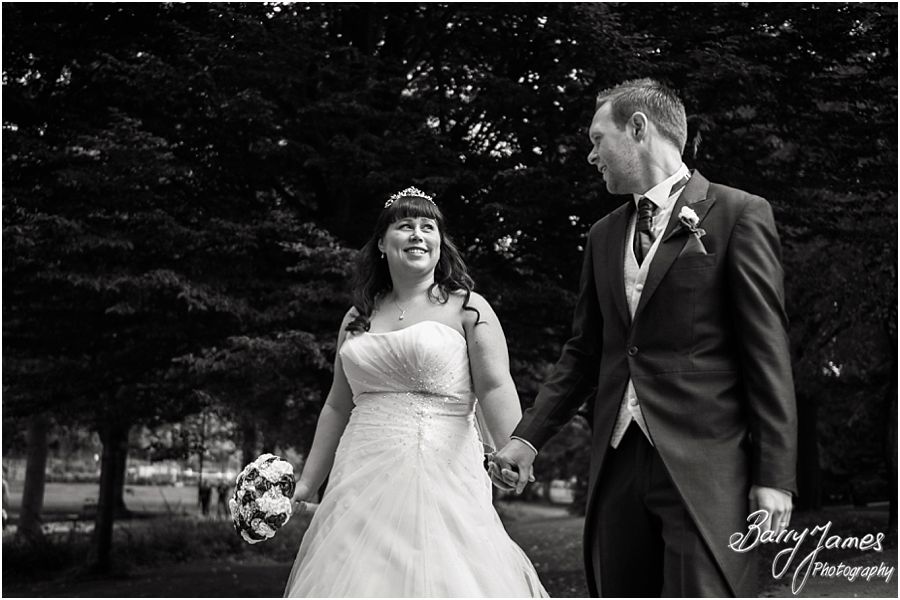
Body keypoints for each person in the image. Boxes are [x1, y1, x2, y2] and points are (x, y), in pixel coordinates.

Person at [489, 78, 797, 597]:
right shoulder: (604, 234)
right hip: (618, 462)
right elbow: (585, 353)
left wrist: (775, 474)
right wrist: (526, 438)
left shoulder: (738, 213)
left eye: (597, 139)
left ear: (637, 128)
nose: (592, 156)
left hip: (705, 462)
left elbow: (766, 353)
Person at [283, 187, 547, 597]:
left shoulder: (469, 308)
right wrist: (307, 483)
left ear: (441, 245)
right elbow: (336, 405)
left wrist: (514, 452)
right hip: (359, 477)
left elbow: (495, 386)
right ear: (383, 246)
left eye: (428, 227)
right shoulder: (357, 317)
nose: (418, 235)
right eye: (405, 226)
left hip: (441, 475)